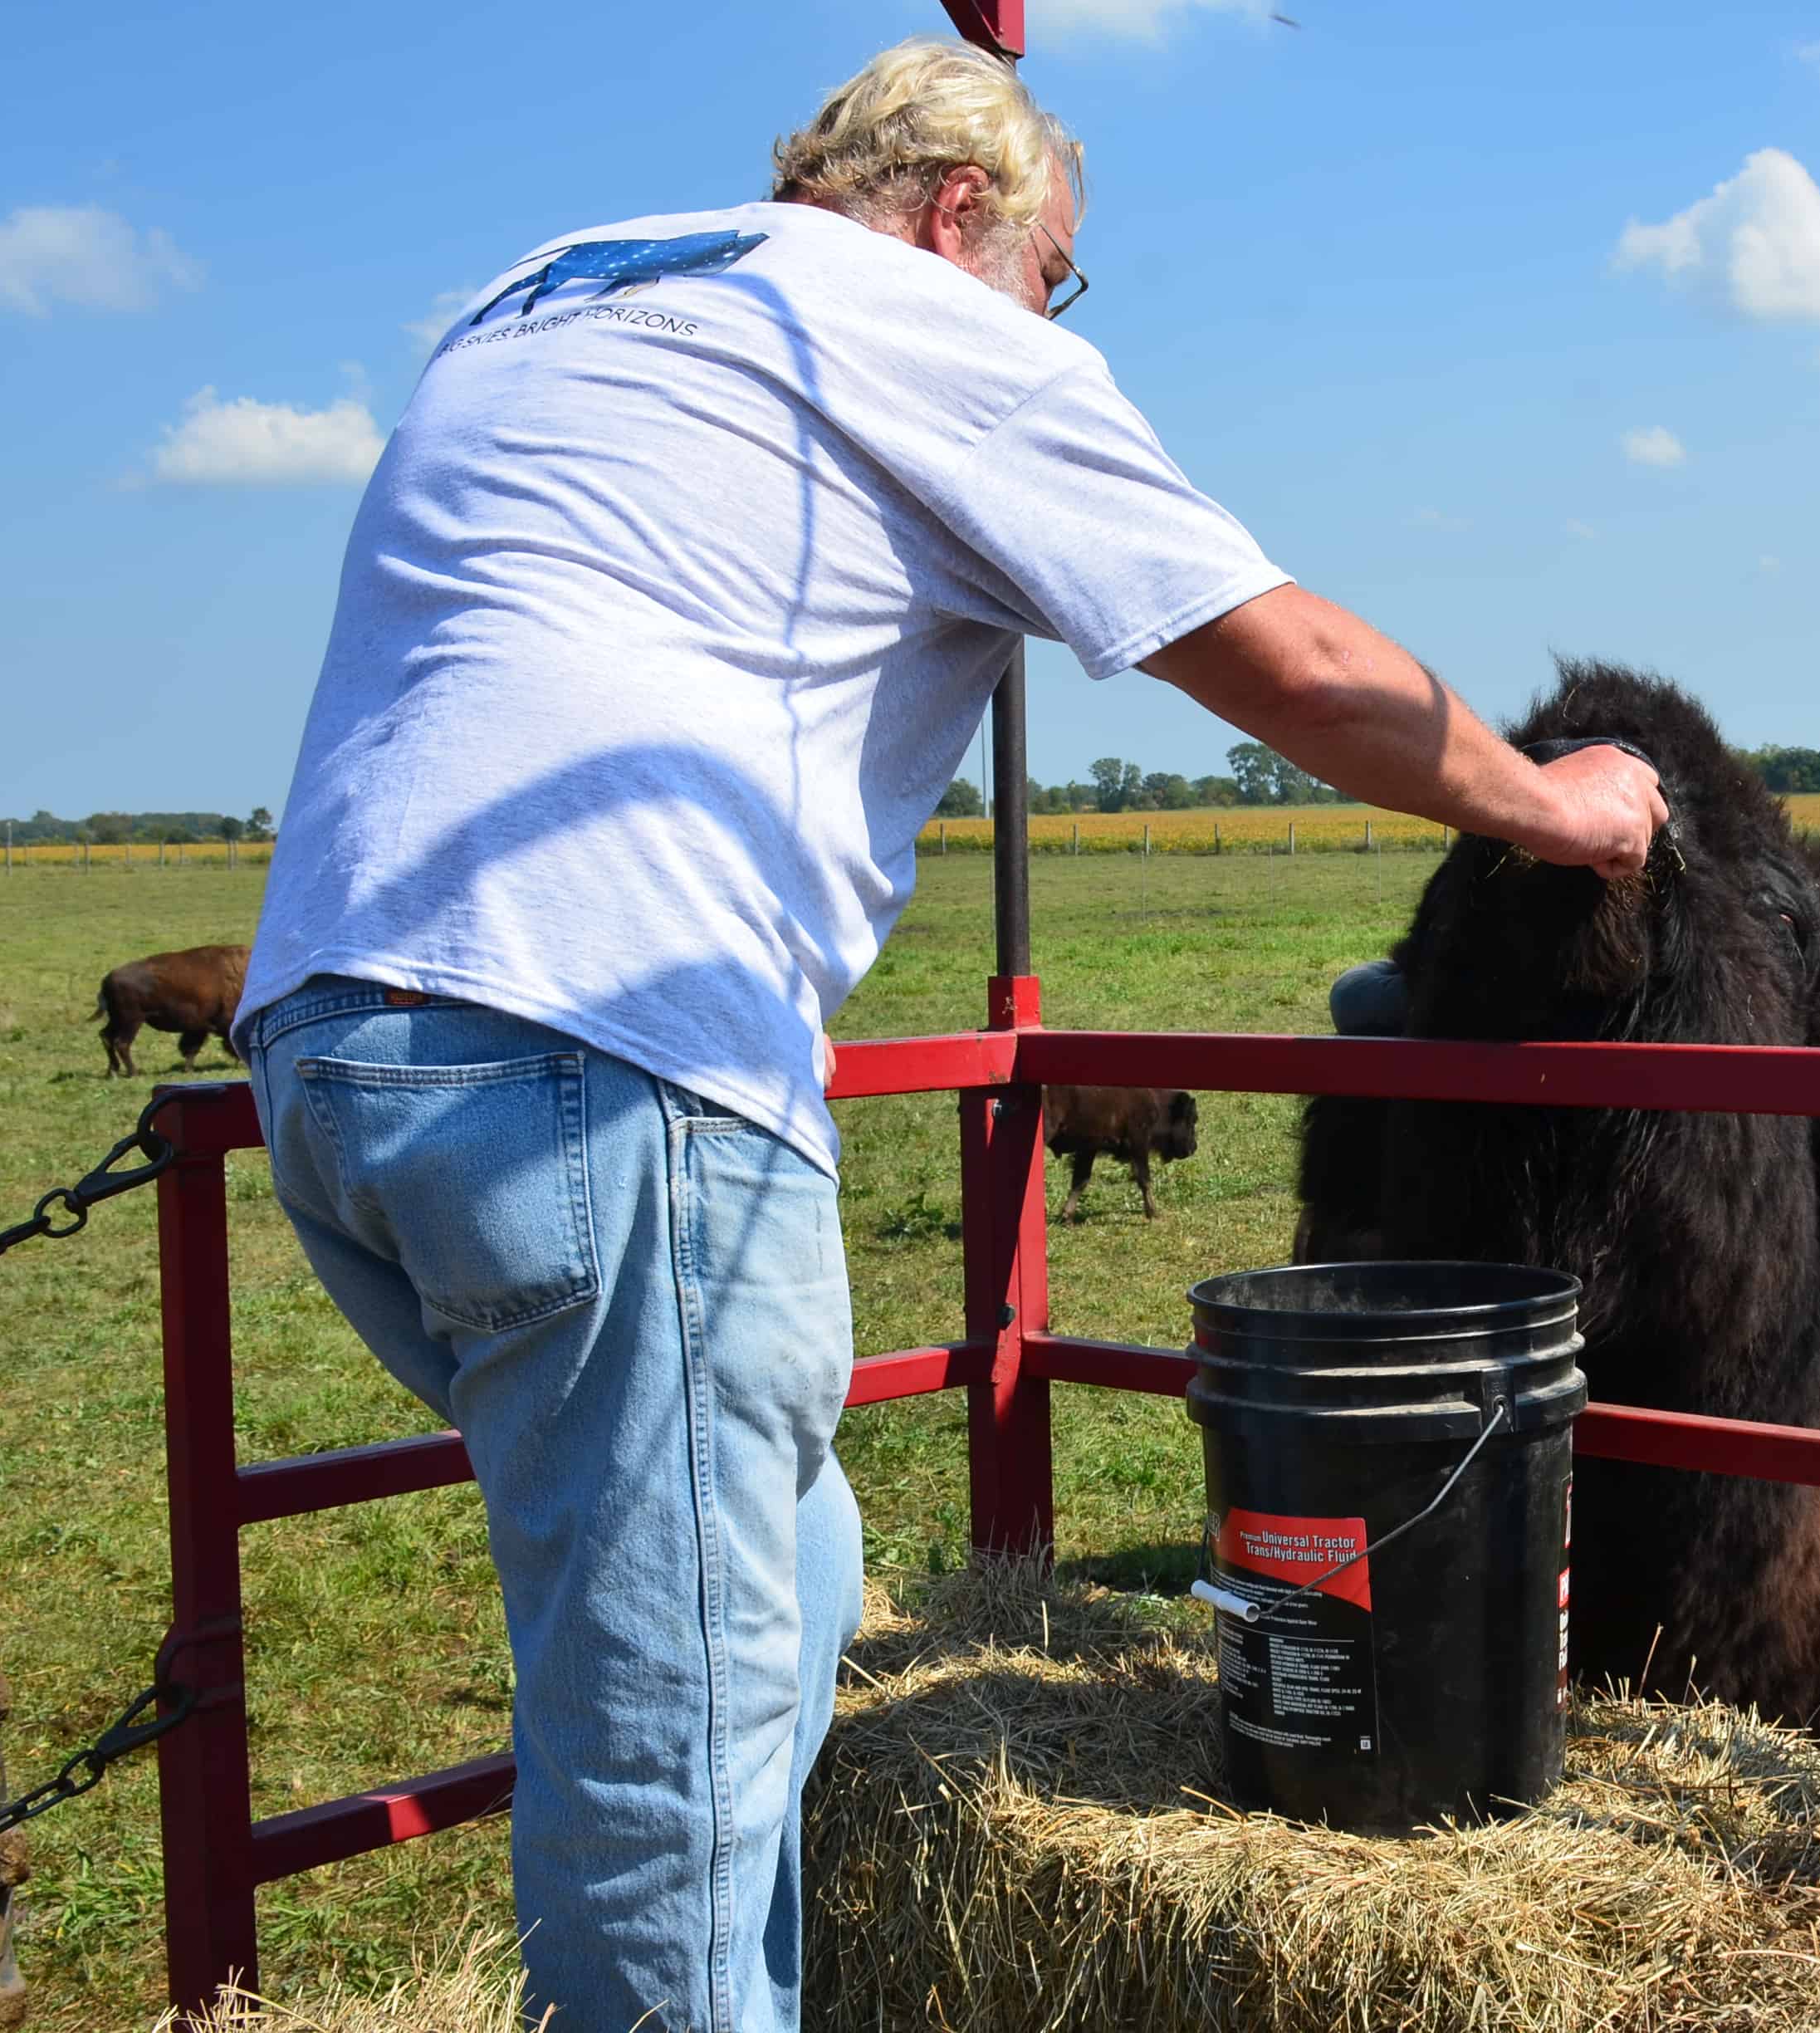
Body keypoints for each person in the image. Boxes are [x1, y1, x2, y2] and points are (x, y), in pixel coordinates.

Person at [232, 37, 1661, 2033]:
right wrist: (1562, 804)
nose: (1055, 314)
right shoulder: (921, 321)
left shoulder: (569, 274)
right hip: (607, 1050)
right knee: (671, 1784)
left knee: (785, 1594)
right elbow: (1295, 664)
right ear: (958, 211)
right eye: (1059, 272)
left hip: (339, 1045)